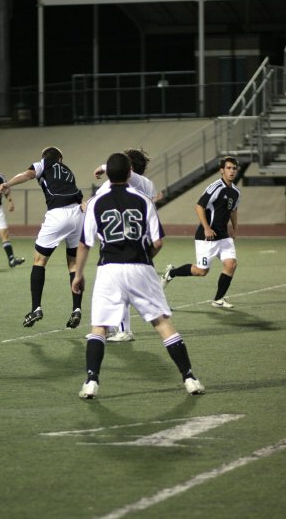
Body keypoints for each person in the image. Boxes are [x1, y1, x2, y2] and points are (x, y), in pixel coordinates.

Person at [72, 152, 204, 399]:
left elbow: (84, 244)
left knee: (99, 327)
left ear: (109, 174)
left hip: (108, 269)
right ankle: (190, 378)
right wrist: (144, 260)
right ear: (130, 173)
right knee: (162, 323)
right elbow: (158, 242)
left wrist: (78, 275)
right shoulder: (144, 200)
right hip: (140, 267)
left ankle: (91, 382)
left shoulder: (96, 203)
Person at [0, 147, 85, 328]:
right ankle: (77, 309)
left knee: (39, 260)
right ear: (61, 158)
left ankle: (36, 307)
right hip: (78, 215)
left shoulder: (44, 163)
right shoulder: (67, 170)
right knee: (74, 264)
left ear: (45, 157)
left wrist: (9, 184)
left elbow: (28, 174)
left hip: (58, 214)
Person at [93, 147, 162, 342]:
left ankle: (123, 330)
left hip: (122, 239)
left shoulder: (128, 181)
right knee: (123, 285)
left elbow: (97, 199)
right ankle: (113, 328)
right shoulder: (148, 184)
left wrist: (102, 167)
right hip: (142, 239)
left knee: (119, 284)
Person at [161, 155, 240, 309]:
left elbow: (233, 210)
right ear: (222, 171)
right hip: (207, 237)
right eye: (228, 168)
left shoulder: (236, 192)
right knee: (201, 271)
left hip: (223, 237)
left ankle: (218, 299)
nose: (231, 171)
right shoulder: (215, 187)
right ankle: (172, 272)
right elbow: (199, 206)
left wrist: (235, 227)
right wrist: (206, 228)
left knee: (231, 264)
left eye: (234, 168)